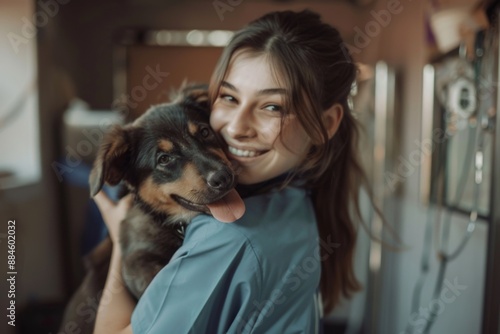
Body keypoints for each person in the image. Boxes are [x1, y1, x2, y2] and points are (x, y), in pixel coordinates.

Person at [94, 9, 368, 334]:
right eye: (229, 97)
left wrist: (119, 238)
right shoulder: (293, 197)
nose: (237, 128)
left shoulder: (228, 239)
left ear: (326, 123)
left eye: (272, 107)